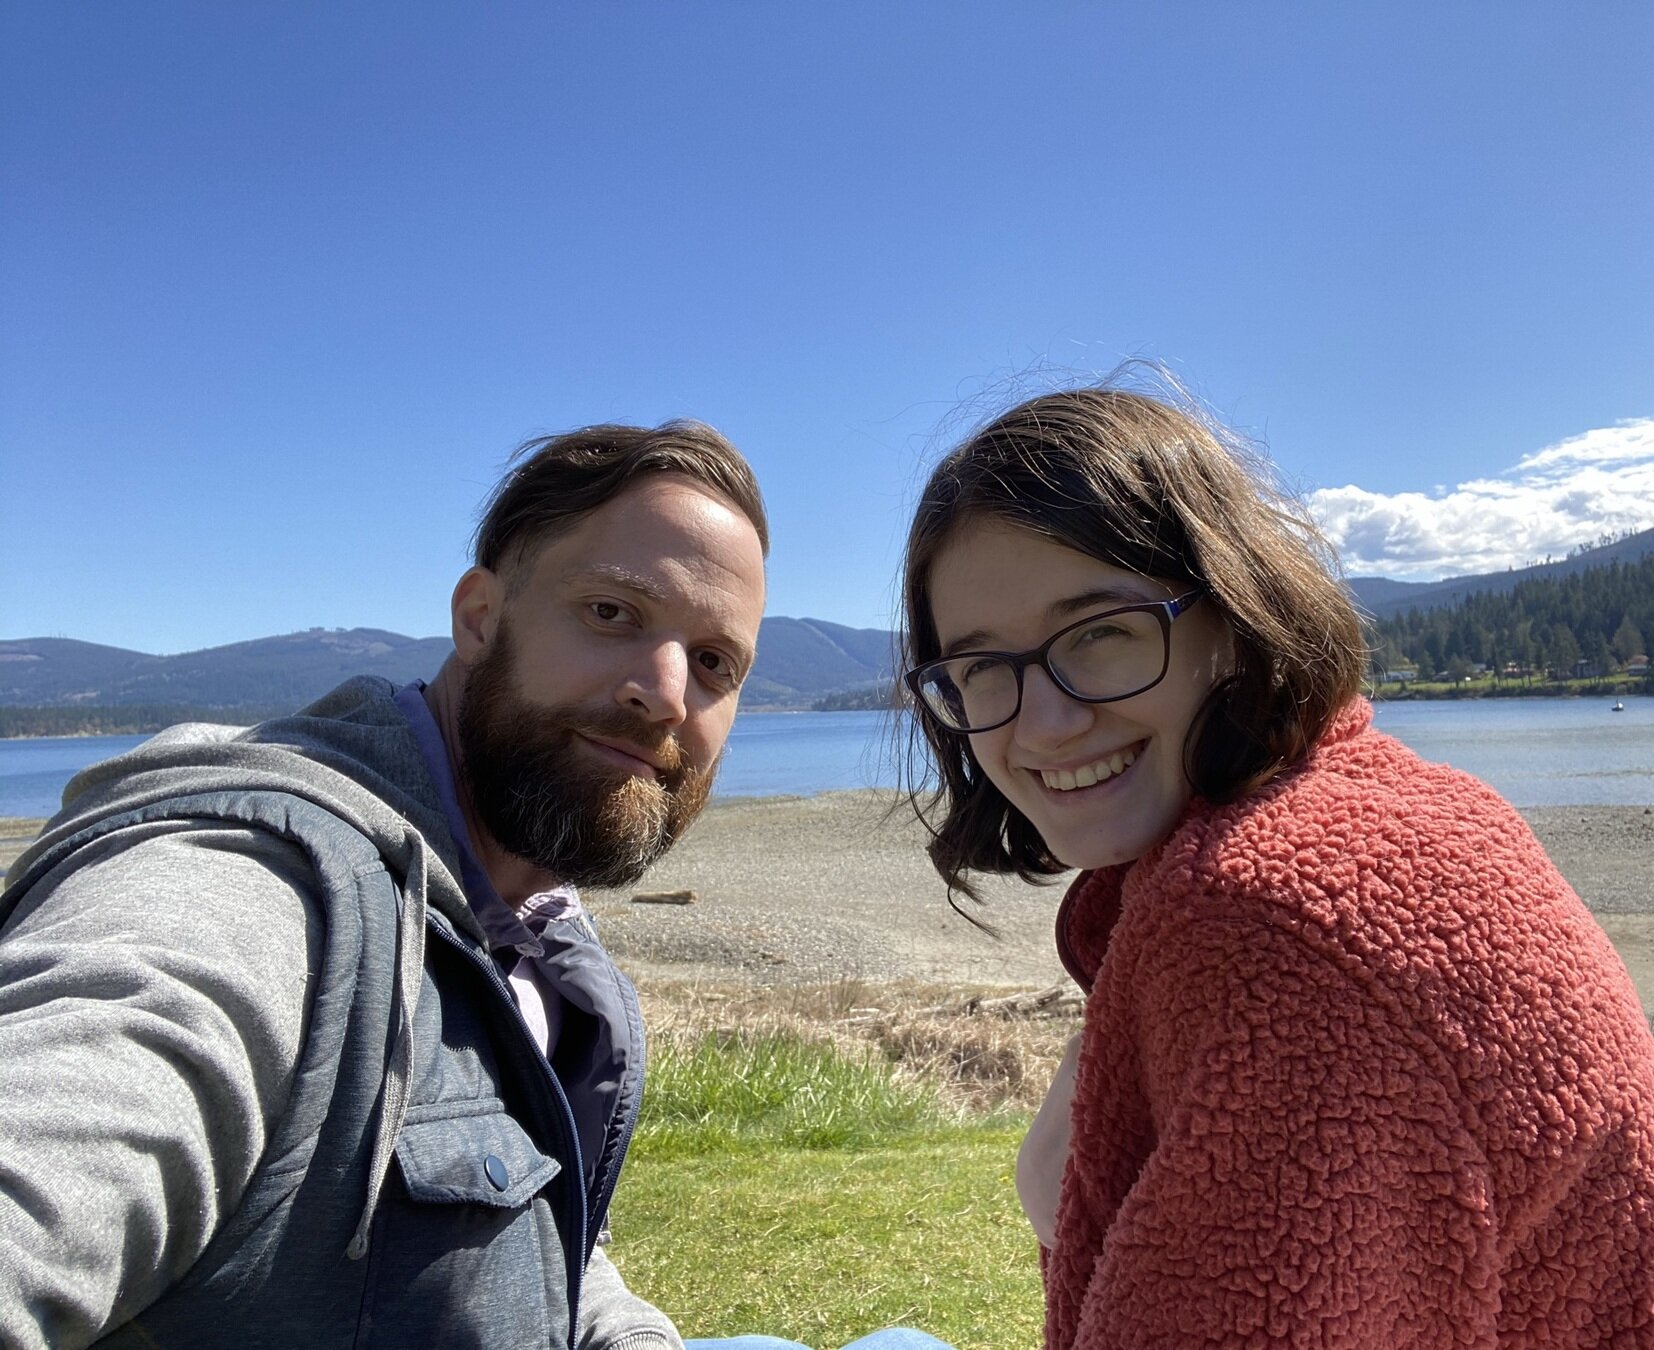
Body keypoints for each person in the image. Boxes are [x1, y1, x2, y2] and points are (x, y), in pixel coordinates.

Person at [1, 421, 950, 1350]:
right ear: (480, 617)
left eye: (714, 663)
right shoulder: (255, 884)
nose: (666, 693)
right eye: (611, 613)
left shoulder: (530, 911)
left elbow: (538, 1239)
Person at [899, 387, 1654, 1348]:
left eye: (1100, 633)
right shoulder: (1422, 807)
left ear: (1233, 615)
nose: (1045, 723)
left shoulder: (1270, 928)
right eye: (982, 668)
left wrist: (1055, 1202)